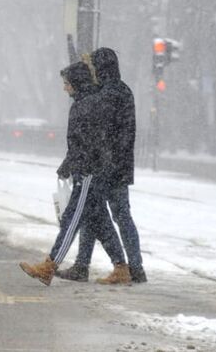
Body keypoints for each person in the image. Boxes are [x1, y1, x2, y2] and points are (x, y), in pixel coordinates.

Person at [19, 61, 129, 286]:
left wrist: (71, 165)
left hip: (88, 172)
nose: (64, 88)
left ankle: (50, 266)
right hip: (95, 170)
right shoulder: (90, 103)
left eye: (66, 83)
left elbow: (84, 144)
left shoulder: (85, 106)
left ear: (76, 83)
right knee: (101, 221)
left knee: (72, 219)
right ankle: (121, 267)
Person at [55, 47, 146, 284]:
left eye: (92, 66)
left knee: (106, 214)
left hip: (108, 166)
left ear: (100, 68)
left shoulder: (108, 94)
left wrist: (105, 161)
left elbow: (103, 134)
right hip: (115, 164)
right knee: (98, 213)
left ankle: (126, 267)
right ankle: (125, 267)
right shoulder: (119, 90)